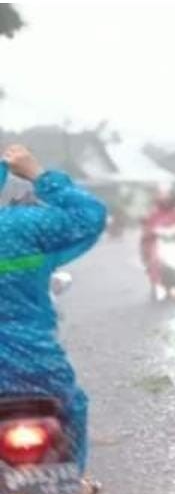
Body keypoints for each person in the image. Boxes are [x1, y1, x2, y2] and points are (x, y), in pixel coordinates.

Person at [0, 144, 107, 473]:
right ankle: (71, 485)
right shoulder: (21, 227)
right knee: (72, 407)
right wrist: (38, 174)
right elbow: (89, 216)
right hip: (37, 366)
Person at [140, 186, 175, 293]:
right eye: (163, 200)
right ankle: (154, 276)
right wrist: (150, 232)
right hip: (159, 242)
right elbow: (147, 226)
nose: (165, 202)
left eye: (167, 200)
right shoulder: (153, 214)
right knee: (153, 256)